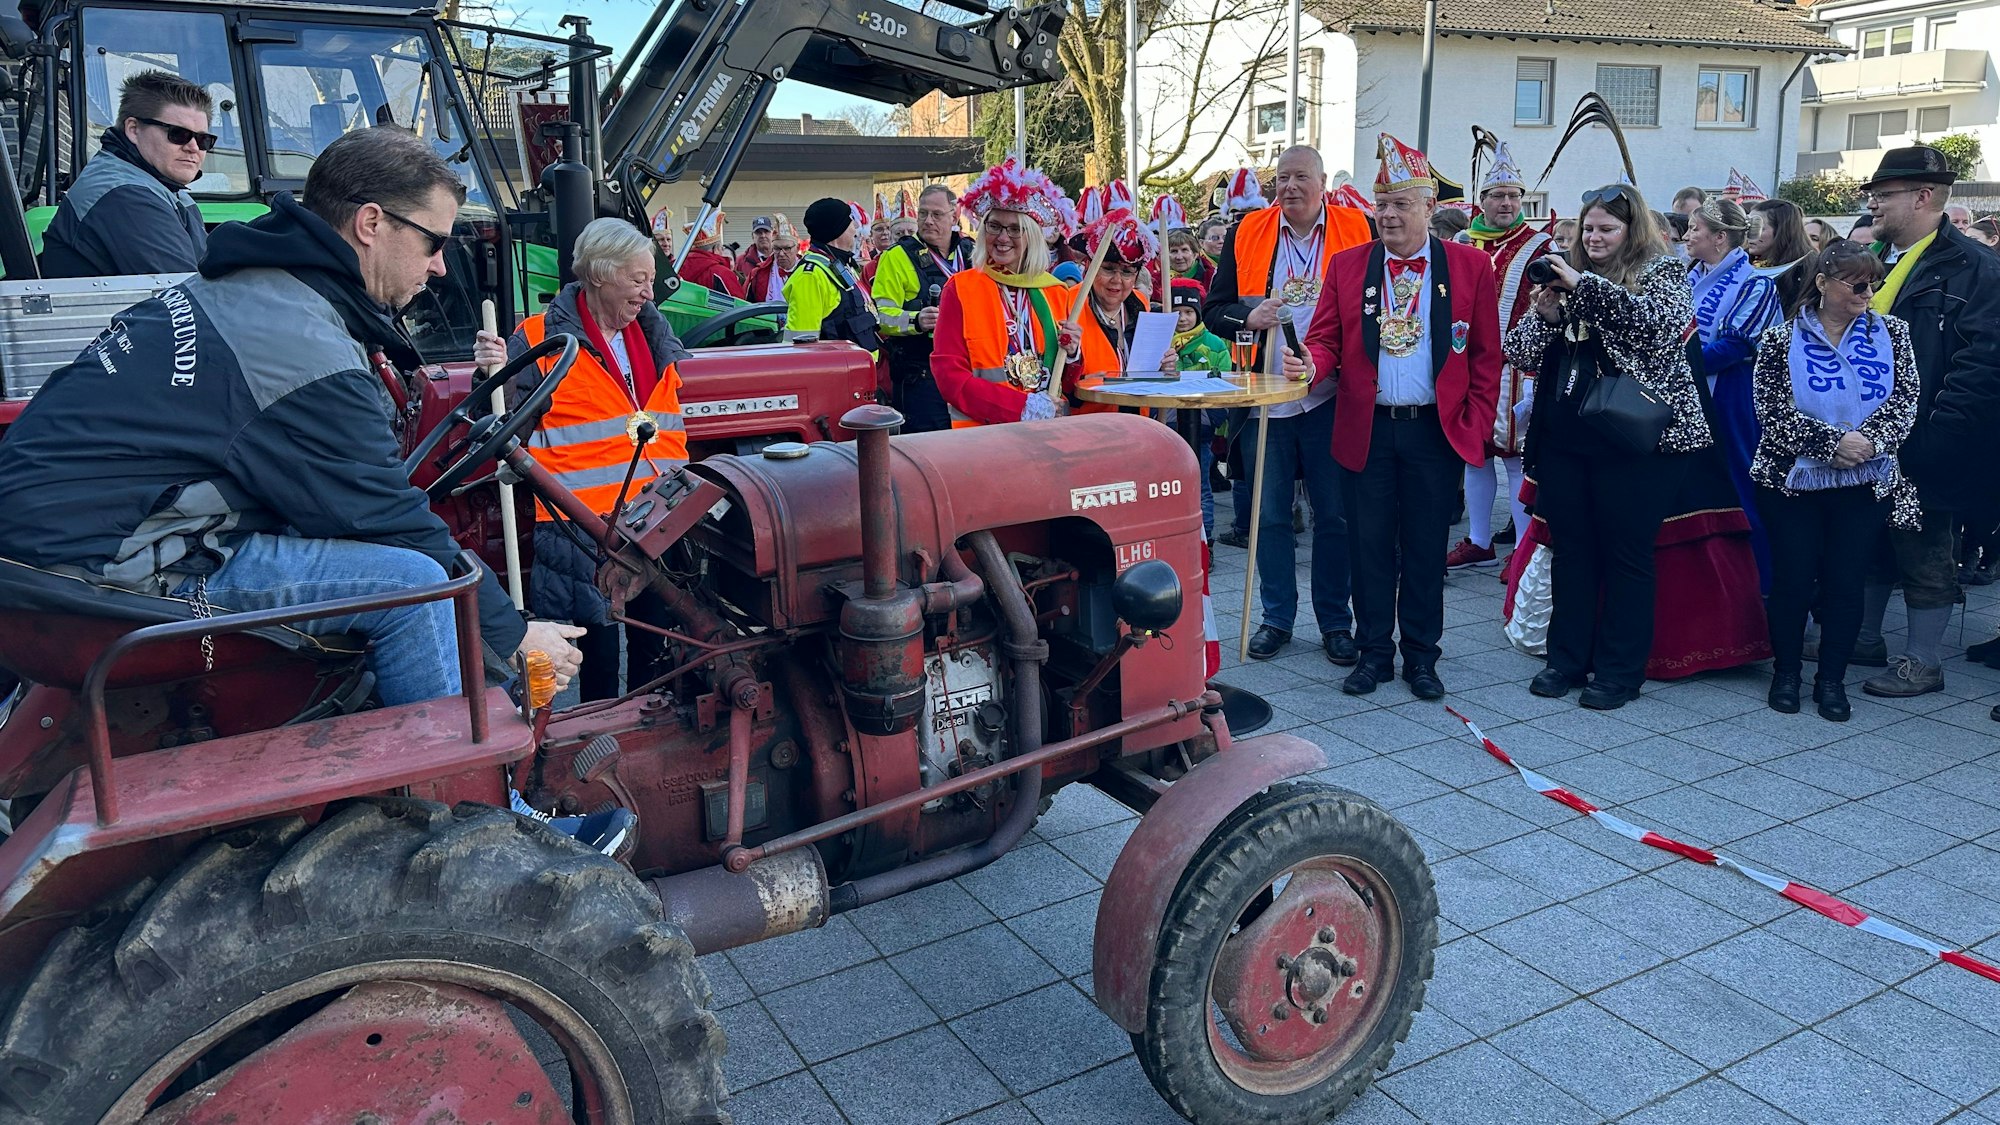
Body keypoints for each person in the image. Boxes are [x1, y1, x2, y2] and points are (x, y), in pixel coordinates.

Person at [0, 126, 583, 707]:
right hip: (87, 578)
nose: (439, 268)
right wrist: (512, 634)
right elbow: (387, 519)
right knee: (420, 587)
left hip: (40, 551)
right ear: (371, 223)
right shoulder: (302, 347)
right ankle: (449, 763)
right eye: (434, 243)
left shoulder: (254, 290)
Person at [1304, 134, 1502, 698]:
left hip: (1435, 431)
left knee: (1424, 547)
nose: (1387, 215)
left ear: (1429, 206)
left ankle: (1421, 655)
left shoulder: (1470, 266)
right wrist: (1309, 363)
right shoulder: (1347, 266)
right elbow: (1325, 340)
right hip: (1367, 429)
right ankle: (1372, 653)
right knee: (1367, 546)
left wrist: (1475, 422)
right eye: (1381, 204)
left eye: (1400, 204)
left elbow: (1486, 355)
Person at [1505, 183, 1711, 710]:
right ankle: (1566, 660)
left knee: (1626, 553)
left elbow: (1657, 329)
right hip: (1569, 436)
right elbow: (1518, 351)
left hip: (1639, 438)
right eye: (1588, 229)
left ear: (1632, 230)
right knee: (1571, 549)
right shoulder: (1567, 274)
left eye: (1607, 229)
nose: (1594, 238)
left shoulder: (1662, 272)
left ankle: (1620, 671)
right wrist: (1546, 315)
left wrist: (1584, 287)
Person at [475, 216, 691, 701]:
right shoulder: (538, 339)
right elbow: (503, 424)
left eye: (651, 280)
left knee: (656, 640)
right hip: (584, 528)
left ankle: (650, 725)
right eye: (638, 280)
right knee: (597, 653)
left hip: (658, 517)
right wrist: (490, 375)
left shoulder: (655, 335)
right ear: (598, 274)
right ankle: (601, 732)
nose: (649, 293)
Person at [1204, 144, 1370, 665]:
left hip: (1330, 397)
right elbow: (1214, 309)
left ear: (1323, 184)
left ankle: (1336, 621)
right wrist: (1247, 318)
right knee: (1269, 515)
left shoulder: (1359, 228)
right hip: (1265, 400)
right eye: (1281, 178)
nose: (1289, 187)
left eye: (1300, 177)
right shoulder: (1247, 232)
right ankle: (1276, 618)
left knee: (1335, 517)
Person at [1849, 146, 2000, 700]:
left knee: (1925, 546)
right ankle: (1864, 638)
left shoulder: (1976, 267)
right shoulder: (1871, 260)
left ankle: (1923, 661)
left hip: (1927, 436)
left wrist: (1938, 435)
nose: (1873, 203)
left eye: (1883, 195)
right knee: (1870, 538)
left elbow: (1982, 362)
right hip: (1865, 435)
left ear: (1924, 196)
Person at [1751, 240, 1919, 721]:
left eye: (1874, 284)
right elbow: (1771, 412)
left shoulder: (1893, 333)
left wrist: (1868, 443)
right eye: (1858, 285)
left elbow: (1906, 398)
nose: (1868, 294)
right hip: (1792, 481)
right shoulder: (1780, 339)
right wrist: (1831, 444)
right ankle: (1786, 673)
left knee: (1846, 583)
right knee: (1793, 580)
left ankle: (1831, 680)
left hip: (1863, 480)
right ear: (1823, 283)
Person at [1449, 141, 1555, 570]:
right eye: (1499, 195)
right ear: (1483, 200)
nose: (1507, 203)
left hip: (1517, 368)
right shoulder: (1464, 242)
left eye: (1514, 196)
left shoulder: (1541, 246)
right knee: (1474, 453)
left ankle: (1523, 551)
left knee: (1514, 458)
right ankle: (1479, 541)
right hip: (1469, 365)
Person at [930, 159, 1084, 425]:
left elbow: (1069, 383)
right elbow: (949, 377)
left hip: (1048, 430)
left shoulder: (1055, 291)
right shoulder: (960, 288)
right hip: (984, 434)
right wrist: (1020, 408)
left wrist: (1073, 355)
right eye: (994, 226)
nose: (1002, 238)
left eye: (1015, 229)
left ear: (1032, 235)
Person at [1685, 196, 1785, 589]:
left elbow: (1734, 347)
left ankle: (1757, 588)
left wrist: (1670, 359)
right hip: (1690, 393)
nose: (1687, 235)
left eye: (1695, 229)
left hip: (1731, 396)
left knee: (1738, 489)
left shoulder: (1755, 284)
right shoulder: (1689, 277)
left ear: (1720, 237)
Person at [41, 70, 213, 278]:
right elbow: (185, 288)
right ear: (133, 129)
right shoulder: (125, 196)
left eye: (203, 140)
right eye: (178, 134)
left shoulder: (167, 190)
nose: (193, 147)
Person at [872, 185, 972, 433]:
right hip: (922, 375)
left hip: (970, 370)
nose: (928, 221)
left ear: (954, 216)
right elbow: (879, 316)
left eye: (936, 214)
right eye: (923, 213)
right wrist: (916, 320)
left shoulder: (971, 251)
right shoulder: (896, 256)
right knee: (928, 446)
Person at [1074, 209, 1175, 381]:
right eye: (1108, 269)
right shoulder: (1066, 303)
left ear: (1137, 276)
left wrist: (1163, 367)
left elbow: (1146, 370)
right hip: (1091, 399)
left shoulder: (1140, 303)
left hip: (1135, 398)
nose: (1117, 280)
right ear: (1089, 266)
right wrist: (1079, 382)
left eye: (1127, 272)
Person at [785, 198, 880, 355]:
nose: (855, 227)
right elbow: (802, 349)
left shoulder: (838, 265)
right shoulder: (810, 276)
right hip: (840, 369)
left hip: (859, 367)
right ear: (837, 230)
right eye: (850, 220)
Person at [1748, 199, 1814, 310]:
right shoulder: (1742, 260)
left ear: (1781, 231)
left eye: (1758, 228)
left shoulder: (1803, 271)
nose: (1749, 234)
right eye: (1748, 227)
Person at [678, 212, 745, 298]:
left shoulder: (676, 268)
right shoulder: (722, 273)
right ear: (716, 249)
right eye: (721, 248)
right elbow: (739, 303)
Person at [745, 215, 801, 309]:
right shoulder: (758, 274)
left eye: (787, 248)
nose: (781, 254)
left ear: (797, 248)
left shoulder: (809, 272)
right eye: (777, 248)